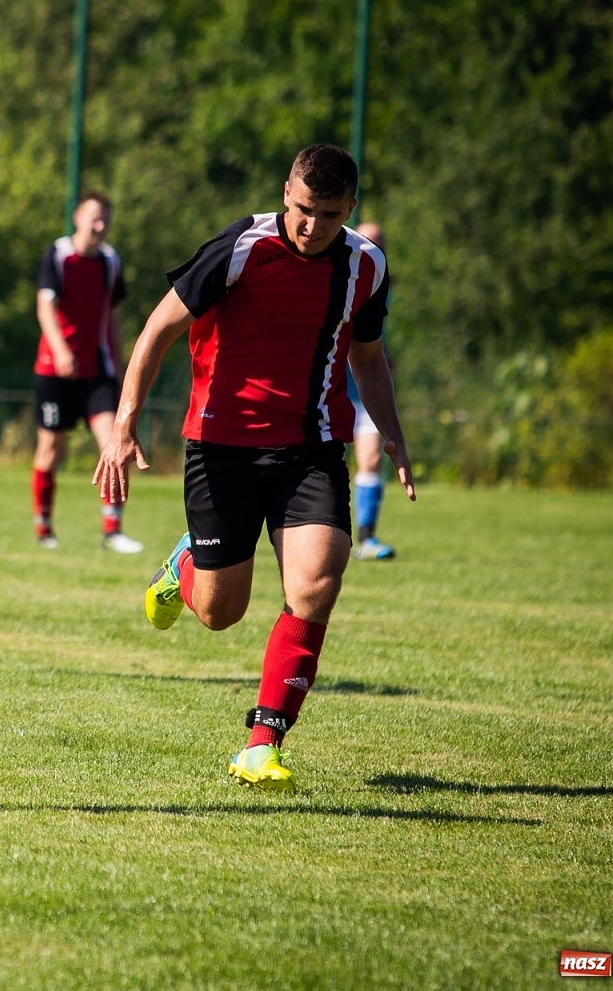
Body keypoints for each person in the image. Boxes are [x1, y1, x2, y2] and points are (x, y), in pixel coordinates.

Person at [94, 144, 414, 793]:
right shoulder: (241, 246)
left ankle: (261, 745)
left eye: (329, 215)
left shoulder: (366, 265)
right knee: (221, 612)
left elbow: (368, 356)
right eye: (303, 209)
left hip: (311, 446)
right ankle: (185, 565)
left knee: (317, 583)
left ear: (350, 209)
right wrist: (124, 423)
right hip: (221, 445)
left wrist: (392, 431)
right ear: (286, 193)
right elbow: (156, 329)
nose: (311, 226)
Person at [30, 190, 142, 554]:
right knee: (50, 450)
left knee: (114, 444)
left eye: (105, 219)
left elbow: (114, 314)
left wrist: (123, 368)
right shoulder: (58, 255)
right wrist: (62, 351)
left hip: (98, 372)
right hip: (55, 372)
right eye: (94, 218)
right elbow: (45, 308)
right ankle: (44, 529)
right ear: (77, 217)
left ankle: (113, 530)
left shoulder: (110, 261)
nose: (99, 225)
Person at [346, 221, 395, 560]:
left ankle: (366, 538)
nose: (371, 248)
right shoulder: (334, 274)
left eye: (378, 244)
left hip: (363, 390)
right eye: (365, 240)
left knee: (372, 458)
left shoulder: (380, 281)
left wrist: (383, 360)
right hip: (329, 387)